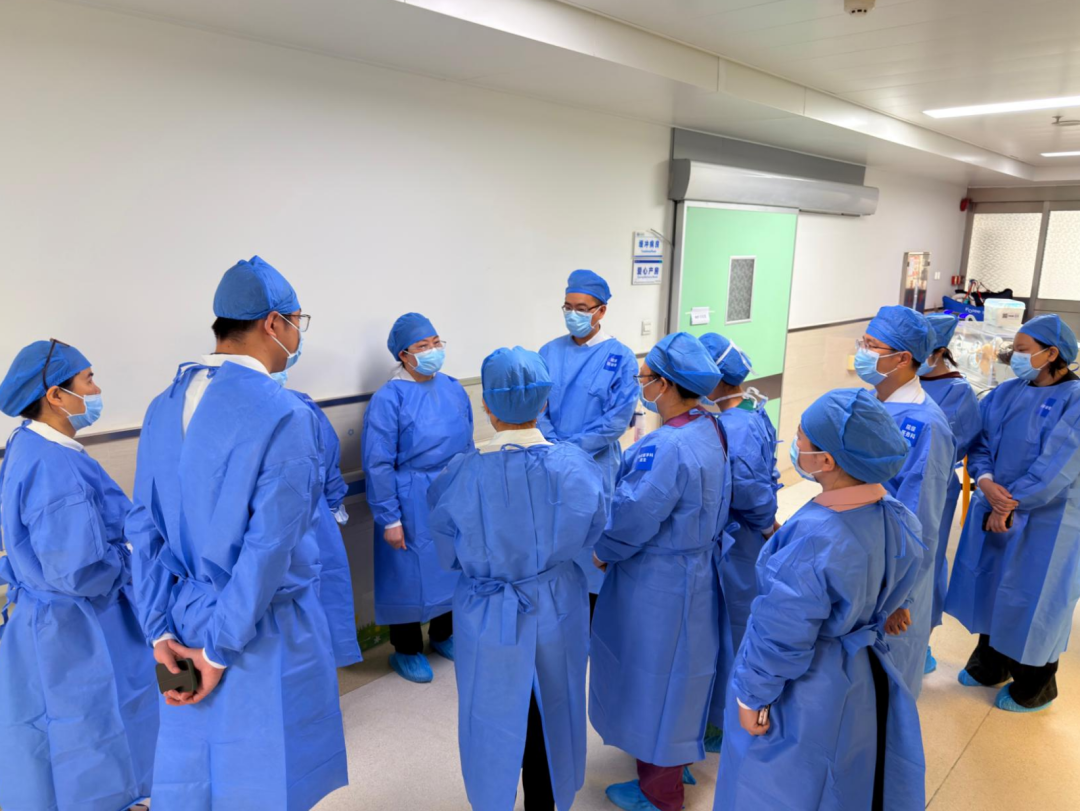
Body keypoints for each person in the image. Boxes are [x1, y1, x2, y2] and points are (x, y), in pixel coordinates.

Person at [126, 256, 348, 809]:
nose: (299, 334)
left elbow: (143, 527)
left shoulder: (162, 405)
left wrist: (159, 631)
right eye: (298, 321)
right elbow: (269, 548)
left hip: (181, 619)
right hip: (259, 628)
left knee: (195, 775)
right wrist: (220, 650)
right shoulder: (283, 413)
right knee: (264, 779)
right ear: (274, 323)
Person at [715, 389, 926, 811]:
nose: (795, 446)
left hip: (809, 685)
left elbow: (781, 632)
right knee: (845, 779)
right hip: (863, 676)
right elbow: (905, 575)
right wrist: (892, 608)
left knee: (783, 786)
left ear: (826, 461)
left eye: (800, 438)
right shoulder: (897, 515)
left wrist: (752, 696)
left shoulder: (814, 537)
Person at [427, 347, 608, 811]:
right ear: (544, 403)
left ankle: (493, 796)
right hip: (556, 605)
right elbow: (594, 531)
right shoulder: (576, 468)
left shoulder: (459, 475)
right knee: (555, 708)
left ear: (486, 405)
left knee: (491, 710)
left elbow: (448, 553)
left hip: (486, 611)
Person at [0, 340, 158, 811]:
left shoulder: (28, 444)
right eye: (88, 379)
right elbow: (80, 570)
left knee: (53, 729)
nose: (96, 389)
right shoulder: (56, 467)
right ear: (55, 395)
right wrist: (130, 557)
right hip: (80, 624)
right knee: (93, 729)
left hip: (47, 619)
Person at [589, 332, 730, 811]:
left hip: (658, 582)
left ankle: (659, 793)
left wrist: (604, 550)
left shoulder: (666, 446)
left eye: (644, 376)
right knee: (683, 677)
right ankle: (675, 760)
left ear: (665, 385)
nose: (640, 384)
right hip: (697, 571)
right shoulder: (711, 427)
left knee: (654, 679)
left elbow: (635, 514)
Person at [945, 314, 1080, 713]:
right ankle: (991, 665)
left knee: (1033, 598)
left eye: (1022, 350)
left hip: (1048, 520)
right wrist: (985, 481)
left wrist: (1008, 503)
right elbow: (980, 442)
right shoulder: (1006, 392)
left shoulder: (1075, 401)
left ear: (1051, 354)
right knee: (991, 586)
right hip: (994, 506)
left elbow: (1058, 467)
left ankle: (1036, 686)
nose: (1014, 356)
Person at [362, 312, 473, 683]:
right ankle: (406, 649)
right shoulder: (388, 399)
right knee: (407, 573)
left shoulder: (454, 388)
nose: (433, 350)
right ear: (404, 355)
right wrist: (389, 518)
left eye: (437, 343)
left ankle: (443, 634)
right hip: (409, 498)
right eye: (423, 346)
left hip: (451, 491)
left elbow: (468, 445)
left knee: (451, 564)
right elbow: (377, 463)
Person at [854, 305, 955, 696]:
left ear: (901, 358)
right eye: (863, 342)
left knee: (885, 682)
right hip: (858, 552)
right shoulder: (869, 402)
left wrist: (902, 595)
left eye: (871, 345)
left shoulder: (927, 425)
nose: (862, 352)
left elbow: (921, 521)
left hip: (893, 568)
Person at [697, 333, 780, 753]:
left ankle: (721, 718)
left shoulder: (735, 426)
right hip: (744, 539)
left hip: (739, 541)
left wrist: (767, 526)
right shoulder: (750, 409)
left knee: (730, 626)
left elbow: (747, 488)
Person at [537, 269, 638, 603]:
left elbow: (616, 420)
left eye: (581, 308)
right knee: (555, 540)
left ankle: (595, 615)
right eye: (568, 307)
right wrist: (555, 445)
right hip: (551, 460)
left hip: (596, 465)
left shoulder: (620, 357)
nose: (573, 315)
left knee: (592, 539)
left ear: (601, 311)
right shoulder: (549, 352)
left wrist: (572, 449)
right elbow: (537, 407)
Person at [274, 371, 362, 668]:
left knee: (322, 592)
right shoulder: (221, 413)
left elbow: (327, 456)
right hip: (281, 521)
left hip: (313, 514)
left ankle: (319, 671)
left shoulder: (301, 406)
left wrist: (334, 501)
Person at [918, 312, 982, 672]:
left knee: (924, 563)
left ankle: (919, 642)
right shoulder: (902, 383)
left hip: (934, 487)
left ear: (939, 352)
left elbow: (956, 445)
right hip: (889, 485)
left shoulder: (958, 393)